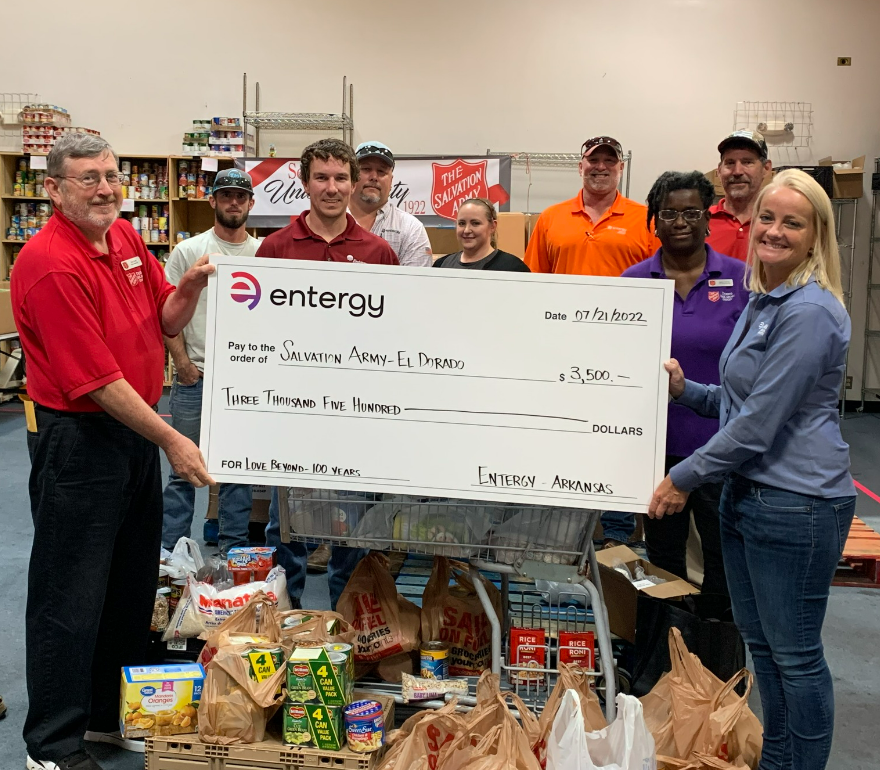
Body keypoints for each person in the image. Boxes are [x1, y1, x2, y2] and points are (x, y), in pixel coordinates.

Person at [11, 134, 214, 770]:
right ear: (53, 189)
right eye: (87, 178)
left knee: (128, 585)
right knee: (68, 594)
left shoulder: (125, 237)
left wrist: (192, 289)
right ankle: (52, 743)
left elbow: (162, 316)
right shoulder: (49, 264)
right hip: (78, 441)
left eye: (110, 175)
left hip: (131, 436)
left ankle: (104, 718)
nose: (104, 188)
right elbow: (95, 382)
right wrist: (174, 438)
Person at [649, 169, 856, 770]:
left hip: (796, 504)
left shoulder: (810, 312)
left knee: (795, 657)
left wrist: (682, 476)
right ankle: (779, 761)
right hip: (750, 496)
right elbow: (738, 402)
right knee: (764, 650)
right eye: (767, 217)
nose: (773, 230)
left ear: (816, 237)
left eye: (792, 222)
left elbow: (760, 424)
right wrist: (688, 391)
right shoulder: (764, 299)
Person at [257, 138, 398, 610]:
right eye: (321, 177)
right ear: (304, 181)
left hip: (354, 415)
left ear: (355, 183)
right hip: (290, 414)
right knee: (286, 527)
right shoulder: (275, 248)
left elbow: (395, 331)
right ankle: (285, 620)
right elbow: (255, 332)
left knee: (352, 527)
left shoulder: (378, 252)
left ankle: (350, 630)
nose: (332, 188)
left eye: (341, 178)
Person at [616, 171, 748, 594]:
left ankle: (719, 655)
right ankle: (666, 653)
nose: (680, 221)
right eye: (668, 213)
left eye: (691, 212)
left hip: (723, 448)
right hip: (657, 449)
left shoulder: (744, 281)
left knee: (725, 563)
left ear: (708, 217)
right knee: (664, 565)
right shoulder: (633, 283)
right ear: (653, 220)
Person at [162, 169, 260, 556]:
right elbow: (167, 310)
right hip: (195, 377)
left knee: (237, 471)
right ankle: (171, 553)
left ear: (251, 203)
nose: (233, 202)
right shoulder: (189, 251)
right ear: (213, 201)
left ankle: (233, 551)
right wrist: (182, 363)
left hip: (243, 379)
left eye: (241, 196)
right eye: (226, 195)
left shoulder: (261, 254)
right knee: (182, 470)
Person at [524, 136, 657, 276]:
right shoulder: (550, 218)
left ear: (621, 168)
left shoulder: (647, 219)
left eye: (609, 160)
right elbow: (533, 277)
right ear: (580, 167)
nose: (601, 166)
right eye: (593, 160)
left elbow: (660, 277)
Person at [349, 140, 433, 267]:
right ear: (352, 175)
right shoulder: (329, 220)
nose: (374, 177)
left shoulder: (411, 229)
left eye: (382, 171)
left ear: (391, 180)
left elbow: (416, 284)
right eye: (366, 169)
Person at [707, 130, 773, 262]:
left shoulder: (777, 224)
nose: (737, 171)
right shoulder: (702, 222)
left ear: (766, 168)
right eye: (730, 163)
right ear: (719, 171)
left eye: (747, 162)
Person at [434, 198, 530, 272]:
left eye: (475, 223)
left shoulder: (513, 268)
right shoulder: (441, 266)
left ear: (492, 226)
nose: (467, 230)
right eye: (462, 223)